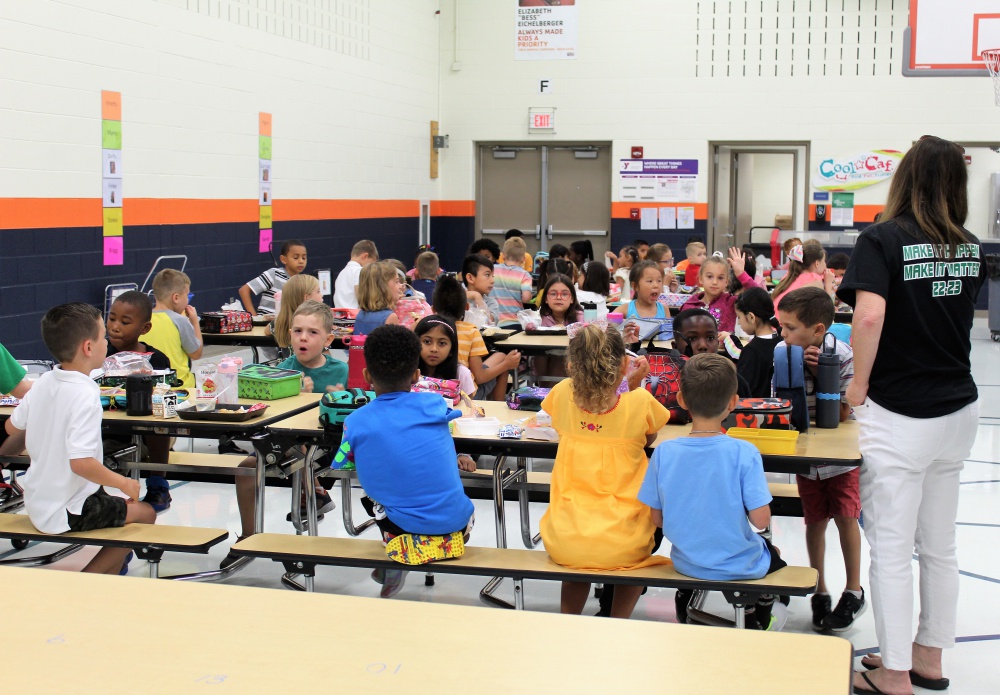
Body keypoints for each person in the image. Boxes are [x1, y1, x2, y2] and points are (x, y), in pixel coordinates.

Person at [838, 135, 985, 695]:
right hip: (958, 408)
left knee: (894, 549)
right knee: (940, 544)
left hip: (901, 412)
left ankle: (894, 672)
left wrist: (859, 384)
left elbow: (870, 318)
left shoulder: (882, 238)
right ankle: (928, 658)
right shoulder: (970, 245)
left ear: (903, 180)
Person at [638, 353, 787, 630]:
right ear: (733, 402)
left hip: (686, 563)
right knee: (772, 550)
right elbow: (761, 521)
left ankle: (695, 602)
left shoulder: (664, 452)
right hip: (740, 565)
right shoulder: (744, 452)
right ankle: (762, 609)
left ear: (681, 400)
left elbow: (657, 520)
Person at [5, 303, 156, 574]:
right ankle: (87, 581)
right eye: (102, 336)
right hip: (68, 510)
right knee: (146, 514)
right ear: (88, 347)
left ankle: (106, 583)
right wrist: (125, 483)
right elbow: (82, 463)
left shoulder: (43, 384)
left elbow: (11, 425)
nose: (107, 340)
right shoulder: (85, 396)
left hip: (38, 501)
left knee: (112, 502)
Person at [539, 325, 670, 618]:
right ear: (624, 364)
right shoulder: (639, 400)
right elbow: (649, 436)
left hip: (567, 538)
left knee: (577, 566)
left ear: (571, 365)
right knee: (637, 557)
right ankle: (618, 620)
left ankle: (568, 620)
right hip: (625, 540)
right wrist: (631, 383)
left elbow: (570, 410)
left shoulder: (561, 394)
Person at [341, 325, 476, 597]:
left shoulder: (355, 421)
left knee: (375, 497)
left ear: (367, 376)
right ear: (417, 375)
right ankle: (430, 546)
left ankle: (398, 557)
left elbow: (343, 463)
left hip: (401, 528)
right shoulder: (435, 405)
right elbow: (455, 411)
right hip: (459, 525)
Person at [222, 301, 346, 567]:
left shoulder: (341, 372)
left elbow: (353, 413)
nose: (303, 337)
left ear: (329, 339)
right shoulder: (280, 372)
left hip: (327, 450)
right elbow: (269, 416)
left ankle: (314, 493)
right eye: (298, 331)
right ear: (289, 334)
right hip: (284, 448)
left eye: (313, 332)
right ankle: (248, 537)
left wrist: (329, 398)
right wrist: (295, 395)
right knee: (245, 470)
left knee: (300, 449)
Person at [775, 286, 862, 633]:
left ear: (818, 331)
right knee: (814, 520)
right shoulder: (782, 352)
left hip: (839, 454)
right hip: (806, 453)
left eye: (790, 327)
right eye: (781, 326)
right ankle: (820, 588)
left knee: (845, 516)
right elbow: (779, 404)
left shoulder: (841, 354)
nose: (783, 334)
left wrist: (822, 372)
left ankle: (853, 590)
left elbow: (843, 411)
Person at [105, 290, 172, 510]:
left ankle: (158, 485)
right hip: (107, 433)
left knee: (158, 424)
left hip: (146, 438)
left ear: (145, 328)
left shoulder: (157, 359)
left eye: (125, 322)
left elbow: (167, 397)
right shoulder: (99, 353)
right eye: (112, 318)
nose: (115, 326)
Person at [431, 275, 520, 401]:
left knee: (499, 357)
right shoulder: (470, 331)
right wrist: (506, 365)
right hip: (464, 395)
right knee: (502, 359)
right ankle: (498, 409)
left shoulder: (427, 329)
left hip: (432, 389)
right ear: (467, 307)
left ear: (433, 308)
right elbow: (479, 377)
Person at [144, 269, 203, 390]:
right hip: (180, 387)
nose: (187, 300)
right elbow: (196, 353)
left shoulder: (143, 319)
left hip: (151, 387)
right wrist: (195, 323)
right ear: (176, 298)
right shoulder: (180, 321)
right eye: (187, 295)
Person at [679, 248, 757, 334]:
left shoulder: (732, 302)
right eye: (709, 277)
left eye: (720, 278)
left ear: (726, 282)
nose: (715, 282)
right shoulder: (689, 305)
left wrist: (741, 274)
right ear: (701, 279)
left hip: (726, 347)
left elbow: (759, 297)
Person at [239, 239, 307, 316]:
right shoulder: (274, 274)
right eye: (295, 257)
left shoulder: (303, 281)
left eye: (304, 258)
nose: (301, 261)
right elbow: (244, 290)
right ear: (283, 259)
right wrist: (254, 317)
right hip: (266, 324)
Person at [534, 274, 581, 381]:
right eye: (553, 294)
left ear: (572, 299)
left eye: (564, 294)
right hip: (545, 363)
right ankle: (546, 390)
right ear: (546, 299)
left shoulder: (580, 317)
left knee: (561, 357)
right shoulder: (538, 318)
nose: (559, 297)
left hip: (574, 364)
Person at [414, 314, 475, 396]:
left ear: (451, 349)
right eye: (427, 341)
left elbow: (468, 406)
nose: (434, 349)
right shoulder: (407, 371)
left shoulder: (461, 373)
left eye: (442, 343)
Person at [734, 288, 777, 398]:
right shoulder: (782, 342)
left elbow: (741, 391)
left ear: (751, 317)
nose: (738, 322)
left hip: (756, 412)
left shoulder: (751, 351)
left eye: (739, 317)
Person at [771, 239, 835, 310]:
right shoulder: (814, 279)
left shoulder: (790, 274)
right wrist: (828, 284)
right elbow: (826, 311)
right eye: (824, 261)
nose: (825, 265)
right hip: (785, 320)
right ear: (817, 263)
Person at [268, 274, 322, 347]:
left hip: (287, 358)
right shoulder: (314, 324)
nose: (322, 295)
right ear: (307, 298)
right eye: (318, 291)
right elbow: (325, 356)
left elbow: (266, 330)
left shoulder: (279, 323)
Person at [492, 237, 533, 327]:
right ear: (523, 259)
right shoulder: (524, 275)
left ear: (503, 256)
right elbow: (526, 298)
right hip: (514, 322)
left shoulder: (493, 270)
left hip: (493, 322)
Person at [353, 261, 402, 335]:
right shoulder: (390, 317)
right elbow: (396, 345)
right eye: (397, 281)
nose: (400, 286)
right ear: (383, 288)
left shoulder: (360, 315)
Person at [333, 240, 379, 309]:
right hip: (354, 317)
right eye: (371, 263)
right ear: (365, 256)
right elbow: (362, 298)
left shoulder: (341, 273)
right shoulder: (359, 271)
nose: (371, 267)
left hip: (339, 317)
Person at [462, 254, 501, 325]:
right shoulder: (457, 300)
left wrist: (477, 297)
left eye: (493, 276)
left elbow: (489, 323)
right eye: (487, 275)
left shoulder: (491, 303)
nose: (492, 280)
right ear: (470, 278)